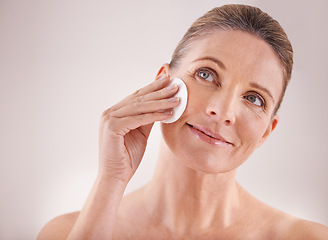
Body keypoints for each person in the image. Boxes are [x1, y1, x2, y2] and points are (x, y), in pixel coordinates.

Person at [37, 4, 328, 239]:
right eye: (206, 74)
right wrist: (111, 180)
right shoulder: (66, 233)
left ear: (267, 131)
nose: (222, 111)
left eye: (254, 98)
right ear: (162, 81)